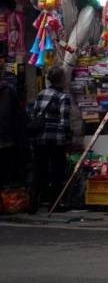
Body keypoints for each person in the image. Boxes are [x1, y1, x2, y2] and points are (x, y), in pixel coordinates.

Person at [28, 66, 72, 213]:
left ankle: (33, 203)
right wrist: (68, 138)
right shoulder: (63, 97)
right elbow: (64, 121)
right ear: (61, 79)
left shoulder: (41, 94)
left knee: (39, 171)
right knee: (57, 172)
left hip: (40, 139)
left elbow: (33, 115)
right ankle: (54, 204)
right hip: (56, 140)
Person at [0, 54, 25, 188]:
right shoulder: (9, 88)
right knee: (7, 169)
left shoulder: (9, 88)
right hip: (7, 136)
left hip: (6, 135)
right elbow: (17, 113)